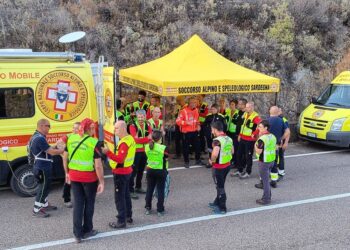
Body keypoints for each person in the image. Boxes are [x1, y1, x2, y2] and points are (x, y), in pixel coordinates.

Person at [63, 118, 104, 243]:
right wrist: (102, 181)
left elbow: (65, 158)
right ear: (90, 129)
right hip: (89, 178)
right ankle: (88, 230)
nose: (94, 130)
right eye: (93, 128)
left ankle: (77, 234)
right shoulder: (94, 142)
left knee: (78, 204)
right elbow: (98, 165)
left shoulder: (71, 138)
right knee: (89, 204)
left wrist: (66, 173)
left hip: (74, 176)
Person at [102, 120, 136, 229]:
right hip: (127, 171)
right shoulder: (130, 138)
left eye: (116, 128)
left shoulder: (124, 142)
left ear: (122, 128)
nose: (114, 130)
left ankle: (121, 221)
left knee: (119, 198)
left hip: (120, 173)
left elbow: (120, 159)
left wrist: (107, 152)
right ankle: (128, 216)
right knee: (126, 195)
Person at [30, 119, 64, 218]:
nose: (50, 128)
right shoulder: (39, 138)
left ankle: (44, 204)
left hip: (41, 165)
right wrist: (63, 150)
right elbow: (51, 152)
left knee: (46, 186)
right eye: (48, 126)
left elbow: (46, 149)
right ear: (42, 126)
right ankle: (36, 209)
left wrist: (54, 146)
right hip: (42, 166)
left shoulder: (37, 136)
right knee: (43, 187)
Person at [208, 121, 234, 214]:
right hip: (227, 165)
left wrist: (211, 160)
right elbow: (232, 151)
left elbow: (214, 154)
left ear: (215, 129)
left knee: (220, 187)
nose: (211, 131)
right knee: (220, 185)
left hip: (218, 167)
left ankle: (222, 208)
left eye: (212, 129)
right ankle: (217, 201)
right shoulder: (228, 138)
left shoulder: (217, 141)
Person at [144, 130, 169, 216]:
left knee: (149, 189)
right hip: (160, 170)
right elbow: (166, 156)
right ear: (160, 138)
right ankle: (160, 210)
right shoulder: (163, 148)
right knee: (160, 190)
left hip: (150, 169)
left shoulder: (147, 146)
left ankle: (147, 207)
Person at [129, 109, 152, 199]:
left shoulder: (148, 125)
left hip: (145, 151)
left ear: (145, 117)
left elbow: (151, 137)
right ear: (136, 117)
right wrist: (146, 138)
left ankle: (138, 187)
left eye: (142, 117)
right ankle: (130, 190)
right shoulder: (132, 125)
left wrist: (143, 139)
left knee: (141, 170)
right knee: (133, 171)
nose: (141, 118)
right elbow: (135, 140)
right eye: (139, 117)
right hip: (136, 151)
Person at [57, 122, 81, 208]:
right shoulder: (68, 136)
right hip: (70, 163)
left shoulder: (83, 137)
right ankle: (66, 199)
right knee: (68, 181)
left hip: (80, 164)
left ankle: (81, 197)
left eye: (77, 128)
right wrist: (64, 154)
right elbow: (58, 144)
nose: (74, 130)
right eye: (74, 128)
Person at [264, 106, 289, 188]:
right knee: (274, 162)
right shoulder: (281, 120)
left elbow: (260, 132)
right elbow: (288, 131)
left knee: (265, 161)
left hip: (267, 145)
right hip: (277, 145)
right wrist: (281, 139)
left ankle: (263, 180)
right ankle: (274, 180)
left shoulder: (266, 120)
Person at [176, 96, 203, 168]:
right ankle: (186, 162)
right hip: (186, 132)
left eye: (195, 102)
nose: (193, 104)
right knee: (186, 148)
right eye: (192, 103)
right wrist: (186, 123)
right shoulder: (183, 111)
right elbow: (178, 121)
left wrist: (198, 125)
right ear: (189, 103)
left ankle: (198, 160)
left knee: (198, 146)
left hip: (194, 132)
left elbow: (197, 120)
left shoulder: (196, 110)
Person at [254, 120, 277, 205]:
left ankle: (266, 199)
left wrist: (255, 145)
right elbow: (275, 147)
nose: (258, 128)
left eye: (260, 127)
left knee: (265, 182)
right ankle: (268, 196)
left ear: (265, 128)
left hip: (263, 161)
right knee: (266, 180)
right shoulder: (272, 136)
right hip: (271, 160)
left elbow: (259, 151)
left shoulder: (262, 139)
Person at [237, 101, 261, 179]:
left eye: (248, 107)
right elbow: (243, 125)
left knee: (248, 156)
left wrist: (254, 133)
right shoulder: (246, 114)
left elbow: (260, 126)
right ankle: (240, 170)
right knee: (239, 154)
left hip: (250, 140)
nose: (246, 108)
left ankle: (248, 172)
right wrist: (240, 135)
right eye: (246, 107)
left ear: (252, 107)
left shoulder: (255, 116)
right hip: (243, 138)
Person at [203, 103, 227, 168]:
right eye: (211, 109)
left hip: (218, 137)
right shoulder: (208, 116)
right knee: (210, 148)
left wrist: (222, 135)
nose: (212, 110)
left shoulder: (221, 116)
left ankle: (218, 161)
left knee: (217, 148)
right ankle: (211, 161)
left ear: (217, 109)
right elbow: (204, 125)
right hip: (209, 136)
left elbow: (224, 126)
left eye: (213, 109)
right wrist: (206, 133)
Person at [225, 99, 239, 166]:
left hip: (234, 132)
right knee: (229, 146)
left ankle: (235, 161)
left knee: (235, 147)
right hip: (228, 132)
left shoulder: (238, 113)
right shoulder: (228, 111)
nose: (231, 106)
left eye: (232, 104)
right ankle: (230, 160)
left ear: (236, 105)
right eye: (230, 104)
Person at [277, 107, 290, 181]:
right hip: (277, 142)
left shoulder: (284, 120)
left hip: (282, 141)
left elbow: (288, 132)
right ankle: (275, 171)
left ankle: (281, 172)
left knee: (280, 156)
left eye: (279, 110)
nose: (278, 112)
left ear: (281, 111)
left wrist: (286, 143)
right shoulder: (275, 118)